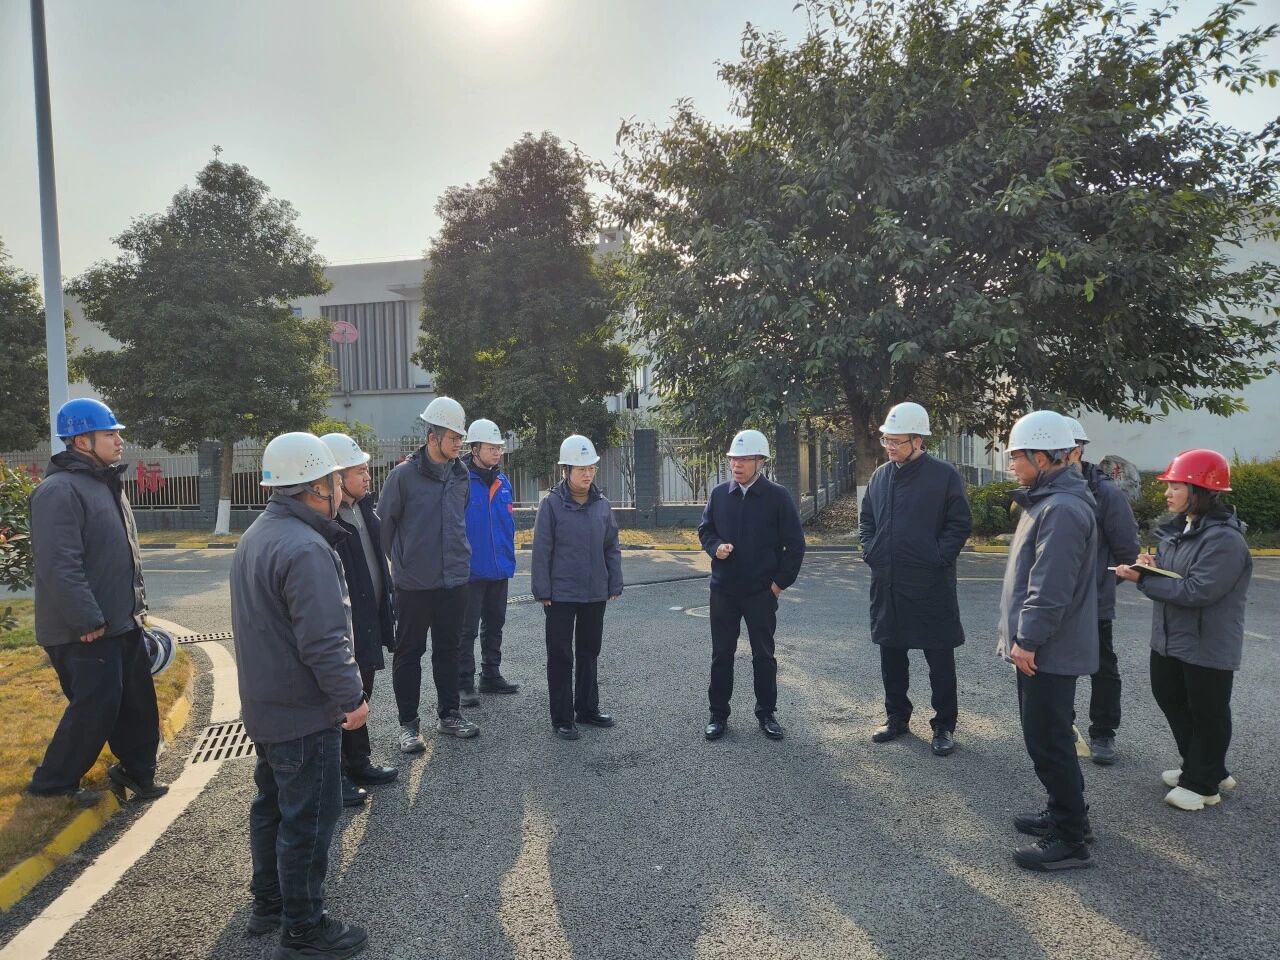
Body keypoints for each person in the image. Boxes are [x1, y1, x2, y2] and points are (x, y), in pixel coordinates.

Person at [230, 431, 368, 959]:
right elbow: (324, 641)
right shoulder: (307, 547)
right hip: (303, 711)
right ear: (315, 486)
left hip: (266, 705)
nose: (340, 488)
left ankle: (268, 904)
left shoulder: (258, 533)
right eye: (334, 479)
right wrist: (351, 698)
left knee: (271, 806)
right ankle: (304, 929)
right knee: (308, 820)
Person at [26, 398, 167, 807]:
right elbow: (59, 564)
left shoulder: (106, 483)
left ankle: (137, 772)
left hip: (121, 621)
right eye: (110, 434)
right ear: (81, 441)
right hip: (82, 630)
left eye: (117, 433)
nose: (119, 440)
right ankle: (52, 784)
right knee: (95, 708)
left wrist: (135, 609)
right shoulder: (58, 491)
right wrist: (86, 619)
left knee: (138, 703)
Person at [1115, 449, 1252, 811]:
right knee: (1171, 698)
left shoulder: (1224, 540)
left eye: (1175, 486)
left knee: (1207, 712)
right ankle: (1204, 766)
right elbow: (1175, 574)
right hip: (1170, 638)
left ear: (1200, 490)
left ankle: (1203, 784)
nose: (1167, 493)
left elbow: (1197, 590)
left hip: (1207, 642)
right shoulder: (1181, 531)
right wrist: (1152, 565)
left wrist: (1143, 580)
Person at [997, 411, 1099, 871]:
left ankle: (1071, 839)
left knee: (1049, 740)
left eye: (1016, 456)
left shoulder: (1061, 509)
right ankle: (1066, 814)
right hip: (1045, 646)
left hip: (1047, 649)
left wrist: (1028, 640)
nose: (1011, 464)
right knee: (1047, 737)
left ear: (1043, 457)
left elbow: (1050, 587)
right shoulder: (1049, 501)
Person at [859, 402, 972, 756]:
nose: (890, 447)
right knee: (891, 653)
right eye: (886, 440)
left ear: (918, 440)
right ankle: (896, 718)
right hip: (888, 581)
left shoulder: (943, 475)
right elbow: (867, 520)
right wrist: (871, 550)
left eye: (897, 441)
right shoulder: (881, 476)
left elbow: (959, 524)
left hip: (930, 583)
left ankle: (944, 725)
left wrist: (938, 557)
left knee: (939, 657)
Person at [380, 396, 479, 750]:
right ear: (432, 437)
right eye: (453, 437)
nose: (459, 443)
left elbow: (459, 516)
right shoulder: (402, 477)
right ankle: (409, 725)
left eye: (460, 437)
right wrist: (403, 564)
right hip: (414, 585)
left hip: (454, 580)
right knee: (409, 652)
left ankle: (449, 714)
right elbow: (385, 527)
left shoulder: (461, 474)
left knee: (449, 648)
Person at [698, 429, 805, 742]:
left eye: (744, 459)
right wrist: (715, 547)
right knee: (722, 654)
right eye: (734, 459)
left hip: (761, 592)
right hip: (723, 591)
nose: (737, 465)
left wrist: (778, 585)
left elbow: (795, 545)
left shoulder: (777, 497)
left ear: (760, 461)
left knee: (764, 655)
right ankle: (718, 714)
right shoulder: (719, 494)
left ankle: (767, 713)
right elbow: (705, 530)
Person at [320, 433, 399, 807]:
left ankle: (358, 762)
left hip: (367, 618)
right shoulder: (327, 520)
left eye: (367, 470)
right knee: (338, 701)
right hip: (343, 625)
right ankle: (335, 775)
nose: (368, 477)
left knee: (361, 691)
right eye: (359, 471)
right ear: (336, 477)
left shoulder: (365, 509)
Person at [531, 434, 623, 741]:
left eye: (591, 468)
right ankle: (562, 718)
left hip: (594, 592)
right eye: (581, 468)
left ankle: (586, 708)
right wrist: (542, 590)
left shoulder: (602, 505)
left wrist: (614, 580)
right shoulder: (551, 505)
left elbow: (611, 546)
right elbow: (542, 549)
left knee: (589, 651)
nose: (587, 474)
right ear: (566, 470)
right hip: (560, 595)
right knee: (560, 654)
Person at [1062, 416, 1140, 765]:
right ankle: (1063, 727)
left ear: (1078, 450)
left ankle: (1103, 733)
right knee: (1057, 667)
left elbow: (1127, 551)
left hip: (1093, 603)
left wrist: (1101, 584)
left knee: (1102, 667)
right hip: (1056, 601)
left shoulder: (1106, 493)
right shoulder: (1049, 488)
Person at [458, 418, 519, 706]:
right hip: (469, 571)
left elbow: (506, 526)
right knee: (466, 630)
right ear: (474, 449)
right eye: (491, 448)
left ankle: (491, 675)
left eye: (499, 448)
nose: (497, 453)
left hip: (498, 569)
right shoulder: (460, 481)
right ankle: (463, 683)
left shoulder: (503, 482)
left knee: (495, 624)